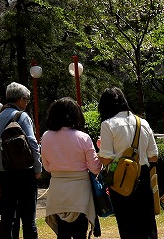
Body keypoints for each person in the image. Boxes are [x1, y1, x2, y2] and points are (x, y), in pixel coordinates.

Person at [97, 87, 160, 239]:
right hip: (142, 177)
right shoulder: (143, 123)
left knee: (127, 227)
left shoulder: (107, 124)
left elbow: (107, 159)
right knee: (147, 225)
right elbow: (154, 156)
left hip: (120, 180)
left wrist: (100, 151)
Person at [40, 97, 100, 239]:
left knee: (62, 233)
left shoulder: (46, 136)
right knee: (80, 233)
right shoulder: (83, 137)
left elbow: (47, 167)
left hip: (57, 191)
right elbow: (95, 168)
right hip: (80, 193)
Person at [0, 82, 42, 239]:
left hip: (5, 174)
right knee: (28, 219)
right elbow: (33, 143)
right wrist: (38, 169)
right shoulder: (22, 117)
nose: (27, 103)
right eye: (26, 99)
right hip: (25, 173)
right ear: (20, 99)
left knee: (7, 218)